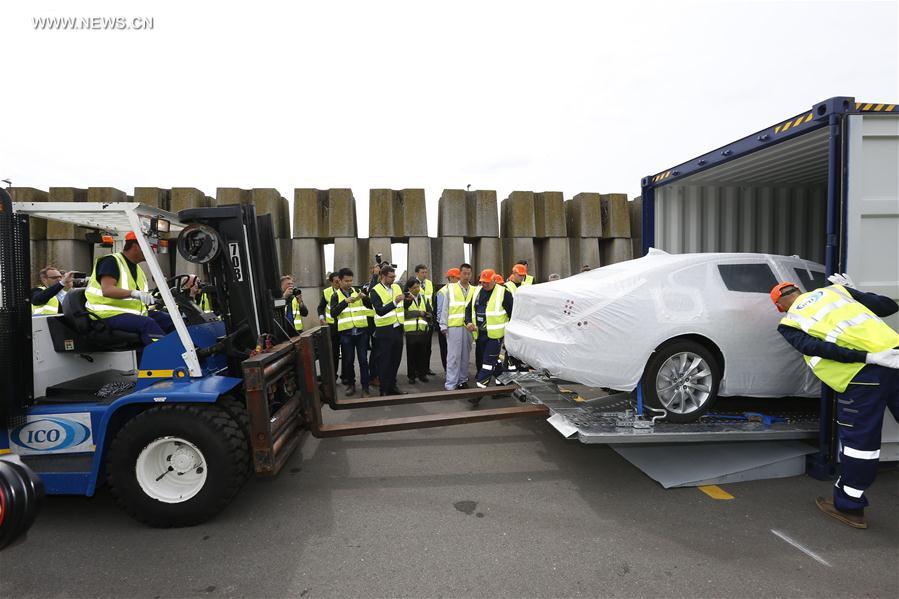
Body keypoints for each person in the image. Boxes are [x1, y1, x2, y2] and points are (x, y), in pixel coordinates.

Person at [771, 274, 899, 529]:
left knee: (860, 444)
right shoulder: (835, 293)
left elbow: (817, 349)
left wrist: (868, 357)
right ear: (799, 289)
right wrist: (855, 291)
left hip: (862, 375)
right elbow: (889, 306)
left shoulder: (790, 322)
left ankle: (849, 508)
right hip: (895, 357)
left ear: (779, 306)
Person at [84, 231, 174, 345]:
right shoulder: (111, 261)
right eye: (151, 247)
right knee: (147, 323)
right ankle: (163, 357)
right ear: (136, 246)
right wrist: (134, 293)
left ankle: (187, 353)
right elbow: (107, 290)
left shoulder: (138, 270)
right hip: (107, 314)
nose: (153, 251)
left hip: (132, 313)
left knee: (171, 320)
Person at [466, 269, 513, 390]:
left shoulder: (503, 293)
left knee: (487, 363)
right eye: (482, 282)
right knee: (493, 360)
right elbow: (469, 309)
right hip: (480, 334)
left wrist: (509, 335)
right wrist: (469, 322)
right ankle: (504, 384)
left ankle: (478, 391)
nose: (484, 284)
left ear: (494, 280)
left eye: (486, 282)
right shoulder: (477, 291)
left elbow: (512, 314)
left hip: (495, 336)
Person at [331, 268, 372, 397]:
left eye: (351, 280)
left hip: (361, 332)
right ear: (340, 281)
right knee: (348, 361)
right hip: (346, 334)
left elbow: (370, 306)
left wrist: (365, 297)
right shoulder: (336, 295)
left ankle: (365, 388)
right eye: (346, 281)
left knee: (363, 361)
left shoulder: (358, 292)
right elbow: (333, 313)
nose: (349, 283)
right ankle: (351, 385)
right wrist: (345, 302)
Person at [368, 265, 406, 396]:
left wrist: (408, 301)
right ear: (383, 276)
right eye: (391, 277)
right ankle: (383, 389)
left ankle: (392, 386)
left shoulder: (396, 287)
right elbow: (379, 311)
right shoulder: (374, 291)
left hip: (398, 328)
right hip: (384, 330)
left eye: (394, 276)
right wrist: (394, 303)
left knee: (396, 359)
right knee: (385, 361)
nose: (393, 279)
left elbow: (402, 306)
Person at [440, 263, 475, 391]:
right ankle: (451, 383)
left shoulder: (474, 290)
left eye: (468, 273)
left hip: (468, 327)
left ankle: (462, 380)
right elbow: (445, 308)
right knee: (453, 356)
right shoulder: (451, 288)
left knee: (465, 356)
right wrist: (443, 325)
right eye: (464, 273)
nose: (466, 276)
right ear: (459, 274)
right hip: (454, 326)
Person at [404, 277, 432, 384]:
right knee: (411, 355)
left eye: (418, 286)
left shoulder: (424, 298)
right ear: (409, 289)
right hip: (411, 331)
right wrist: (418, 313)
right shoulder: (406, 299)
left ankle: (422, 374)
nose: (417, 289)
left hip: (422, 330)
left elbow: (429, 312)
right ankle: (411, 376)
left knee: (423, 354)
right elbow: (404, 314)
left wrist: (426, 315)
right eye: (414, 287)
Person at [435, 268, 460, 372]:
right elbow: (440, 312)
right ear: (451, 278)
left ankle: (455, 369)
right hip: (446, 327)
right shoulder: (443, 292)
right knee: (446, 350)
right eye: (457, 278)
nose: (459, 280)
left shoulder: (458, 289)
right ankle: (448, 370)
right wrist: (443, 326)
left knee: (455, 351)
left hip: (456, 326)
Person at [414, 264, 437, 377]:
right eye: (422, 272)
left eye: (426, 272)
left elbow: (431, 300)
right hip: (418, 318)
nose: (425, 274)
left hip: (428, 317)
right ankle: (417, 369)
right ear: (417, 273)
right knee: (418, 346)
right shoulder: (412, 284)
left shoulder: (429, 283)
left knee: (427, 346)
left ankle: (426, 368)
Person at [318, 273, 342, 376]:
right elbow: (320, 307)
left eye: (340, 281)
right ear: (331, 282)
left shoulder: (345, 291)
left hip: (345, 325)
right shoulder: (327, 292)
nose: (339, 283)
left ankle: (345, 376)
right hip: (332, 326)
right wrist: (322, 318)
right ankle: (334, 374)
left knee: (347, 353)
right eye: (336, 282)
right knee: (334, 352)